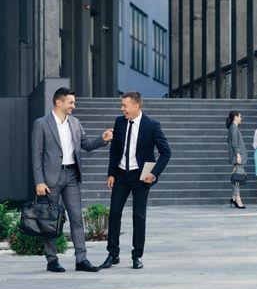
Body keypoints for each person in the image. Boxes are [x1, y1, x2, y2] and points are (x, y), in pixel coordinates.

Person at [31, 87, 113, 273]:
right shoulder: (41, 124)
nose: (73, 106)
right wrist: (39, 181)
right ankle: (52, 260)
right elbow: (37, 155)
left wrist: (102, 139)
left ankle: (81, 259)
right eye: (71, 102)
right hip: (51, 179)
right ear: (59, 102)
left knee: (77, 219)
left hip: (72, 176)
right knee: (50, 220)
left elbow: (86, 144)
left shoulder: (75, 123)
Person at [100, 91, 171, 270]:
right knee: (114, 213)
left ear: (136, 105)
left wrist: (154, 173)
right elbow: (114, 150)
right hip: (121, 175)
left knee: (138, 217)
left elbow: (166, 152)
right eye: (121, 105)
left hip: (141, 177)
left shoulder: (152, 125)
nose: (122, 108)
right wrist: (111, 173)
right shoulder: (119, 121)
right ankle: (113, 254)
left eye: (125, 105)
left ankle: (137, 255)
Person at [227, 111, 247, 209]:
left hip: (238, 156)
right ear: (235, 117)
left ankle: (233, 197)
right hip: (238, 156)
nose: (241, 118)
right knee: (237, 179)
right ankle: (238, 199)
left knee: (236, 177)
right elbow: (234, 143)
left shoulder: (234, 127)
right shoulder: (234, 127)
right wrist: (238, 155)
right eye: (240, 116)